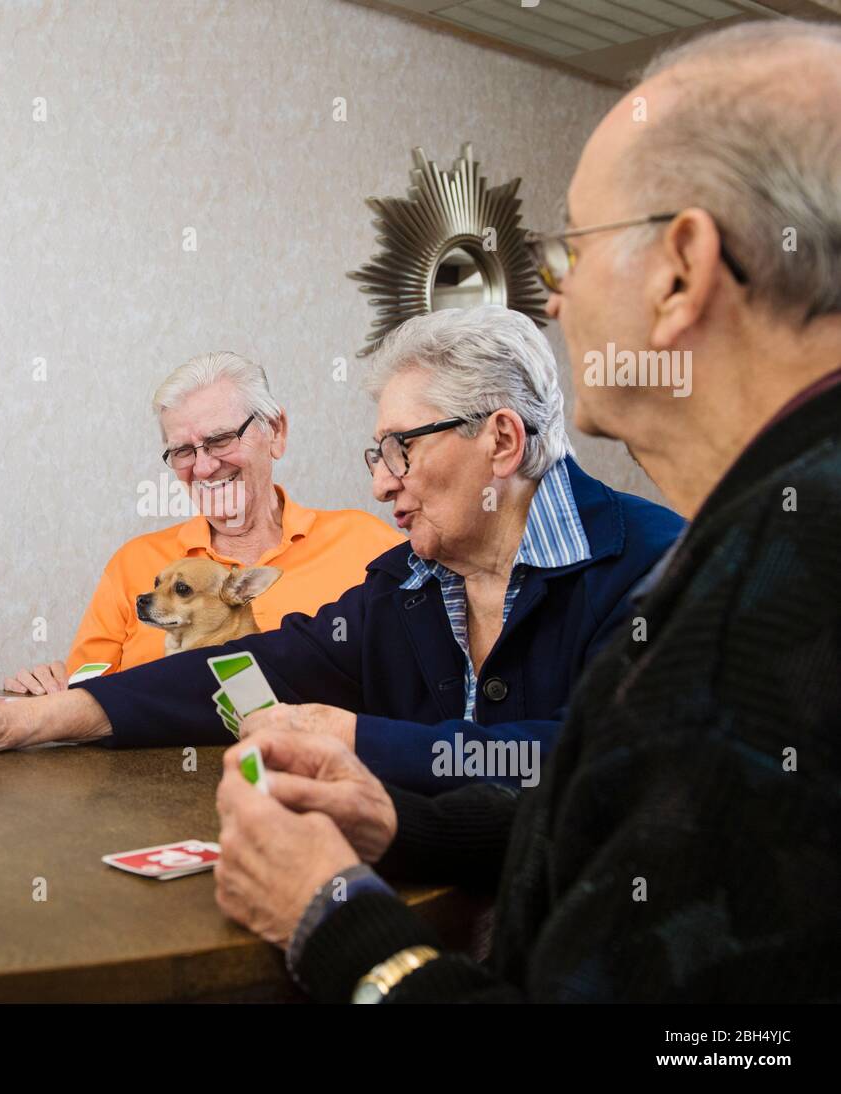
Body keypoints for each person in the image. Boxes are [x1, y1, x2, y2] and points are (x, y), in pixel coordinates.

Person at [213, 19, 841, 1002]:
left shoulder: (761, 598)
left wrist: (330, 912)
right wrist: (405, 823)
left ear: (680, 268)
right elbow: (633, 815)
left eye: (572, 254)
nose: (554, 303)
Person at [0, 306, 682, 793]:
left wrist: (353, 738)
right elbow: (240, 672)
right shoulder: (407, 584)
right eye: (379, 456)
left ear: (501, 439)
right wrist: (20, 722)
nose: (383, 484)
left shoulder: (657, 565)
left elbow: (598, 760)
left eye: (401, 450)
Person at [3, 350, 401, 693]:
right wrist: (49, 687)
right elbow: (87, 694)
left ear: (275, 432)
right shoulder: (134, 563)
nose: (205, 467)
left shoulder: (368, 545)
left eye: (221, 440)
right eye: (182, 451)